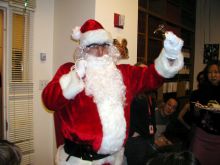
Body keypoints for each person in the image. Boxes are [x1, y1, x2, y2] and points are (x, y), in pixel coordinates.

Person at [42, 19, 184, 165]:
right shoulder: (69, 71)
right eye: (94, 46)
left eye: (105, 45)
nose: (101, 51)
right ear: (84, 49)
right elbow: (49, 100)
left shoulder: (123, 74)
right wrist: (74, 77)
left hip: (115, 160)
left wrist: (170, 56)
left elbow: (152, 76)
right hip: (80, 161)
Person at [190, 62, 220, 165]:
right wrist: (197, 110)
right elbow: (195, 117)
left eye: (216, 72)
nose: (213, 75)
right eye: (210, 72)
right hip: (201, 137)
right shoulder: (199, 92)